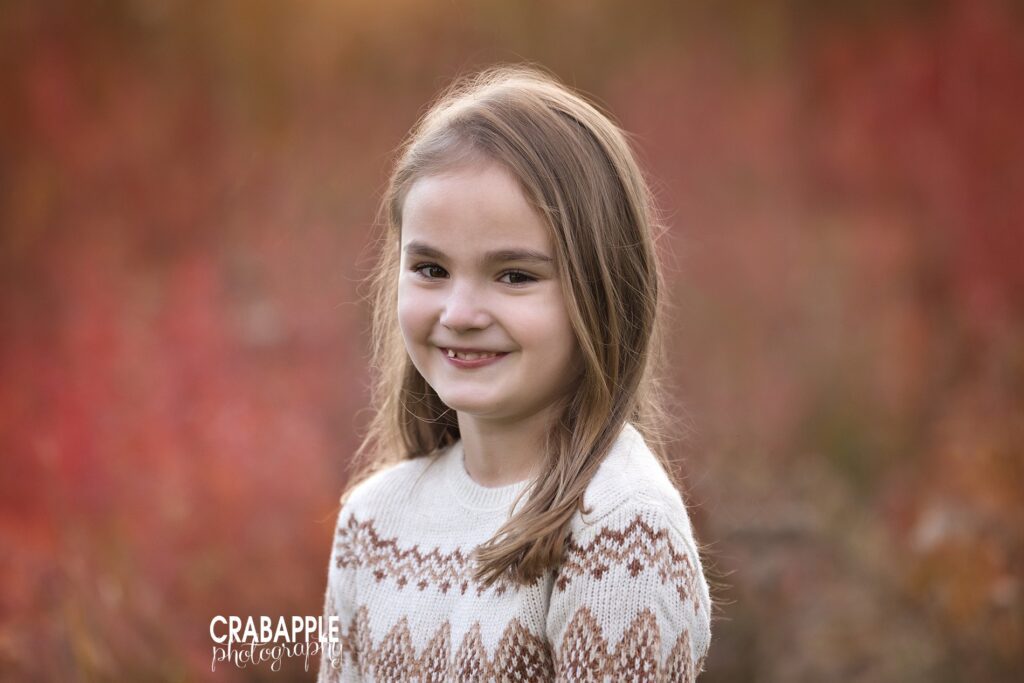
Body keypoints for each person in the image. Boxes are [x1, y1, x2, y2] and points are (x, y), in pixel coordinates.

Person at [317, 64, 712, 682]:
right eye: (430, 269)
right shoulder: (372, 525)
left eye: (515, 276)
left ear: (603, 291)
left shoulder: (622, 535)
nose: (460, 313)